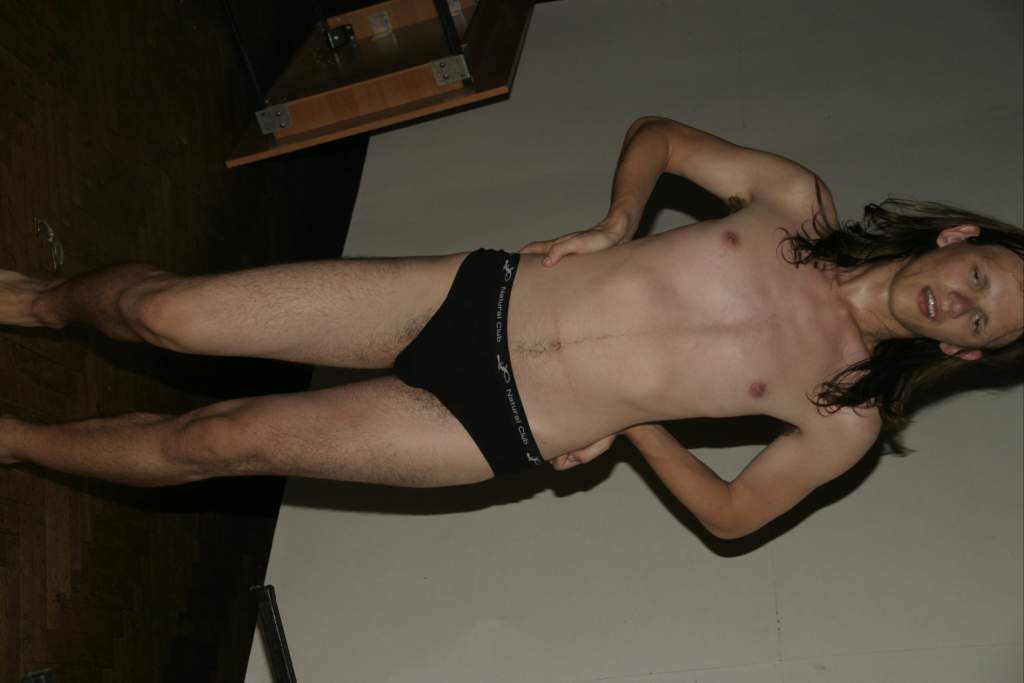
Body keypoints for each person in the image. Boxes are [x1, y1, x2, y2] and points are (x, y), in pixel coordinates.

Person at [1, 117, 1021, 540]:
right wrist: (617, 221)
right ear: (958, 239)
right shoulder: (797, 201)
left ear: (964, 351)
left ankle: (15, 441)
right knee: (165, 313)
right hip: (470, 297)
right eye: (977, 276)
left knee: (221, 440)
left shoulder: (846, 419)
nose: (959, 300)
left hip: (497, 426)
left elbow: (732, 513)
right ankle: (41, 300)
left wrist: (636, 424)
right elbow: (660, 138)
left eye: (980, 319)